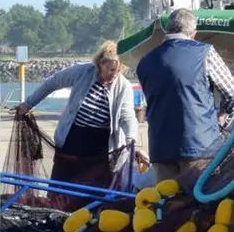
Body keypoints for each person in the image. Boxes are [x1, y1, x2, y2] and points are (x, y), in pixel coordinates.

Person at [136, 8, 234, 183]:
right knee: (201, 203)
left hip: (160, 147)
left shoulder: (146, 61)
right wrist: (223, 116)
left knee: (166, 203)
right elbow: (231, 91)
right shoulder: (204, 52)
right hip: (200, 144)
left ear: (167, 30)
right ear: (193, 33)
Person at [15, 40, 143, 161]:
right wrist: (29, 103)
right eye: (111, 70)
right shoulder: (82, 71)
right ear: (100, 64)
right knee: (63, 182)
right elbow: (52, 83)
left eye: (118, 70)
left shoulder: (124, 86)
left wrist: (131, 137)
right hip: (72, 141)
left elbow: (127, 116)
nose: (114, 74)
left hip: (102, 149)